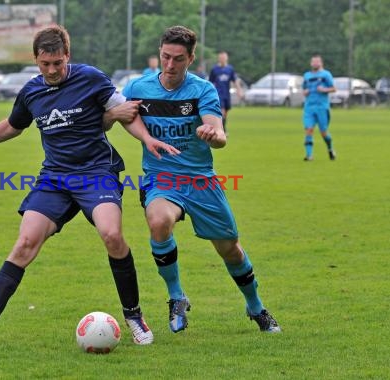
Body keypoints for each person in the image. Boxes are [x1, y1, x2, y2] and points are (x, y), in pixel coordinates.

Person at [0, 25, 178, 345]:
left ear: (67, 55)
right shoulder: (31, 92)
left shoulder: (91, 78)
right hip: (54, 178)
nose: (52, 70)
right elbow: (12, 127)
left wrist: (147, 138)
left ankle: (134, 316)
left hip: (97, 172)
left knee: (112, 235)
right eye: (45, 64)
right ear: (36, 60)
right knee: (25, 243)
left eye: (58, 63)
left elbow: (123, 111)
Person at [117, 25, 281, 334]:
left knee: (231, 249)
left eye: (178, 59)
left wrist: (213, 135)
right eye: (165, 57)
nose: (169, 65)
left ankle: (255, 306)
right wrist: (132, 127)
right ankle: (176, 296)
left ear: (191, 58)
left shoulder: (203, 90)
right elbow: (121, 115)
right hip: (161, 177)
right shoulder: (138, 87)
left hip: (200, 180)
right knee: (158, 221)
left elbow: (219, 135)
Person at [302, 54, 336, 161]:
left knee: (324, 132)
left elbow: (333, 88)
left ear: (321, 63)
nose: (315, 63)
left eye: (317, 62)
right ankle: (309, 155)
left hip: (322, 107)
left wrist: (324, 90)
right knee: (309, 129)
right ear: (311, 63)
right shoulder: (307, 75)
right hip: (309, 107)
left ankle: (330, 149)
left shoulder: (326, 74)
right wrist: (305, 92)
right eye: (313, 62)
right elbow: (304, 89)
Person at [208, 51, 244, 134]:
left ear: (226, 58)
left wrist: (239, 91)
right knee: (222, 112)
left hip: (226, 94)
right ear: (219, 59)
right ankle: (222, 130)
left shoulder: (230, 69)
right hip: (218, 94)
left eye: (224, 57)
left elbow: (235, 81)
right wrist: (209, 94)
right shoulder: (214, 69)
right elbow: (210, 83)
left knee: (226, 112)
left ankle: (222, 128)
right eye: (221, 58)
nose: (222, 59)